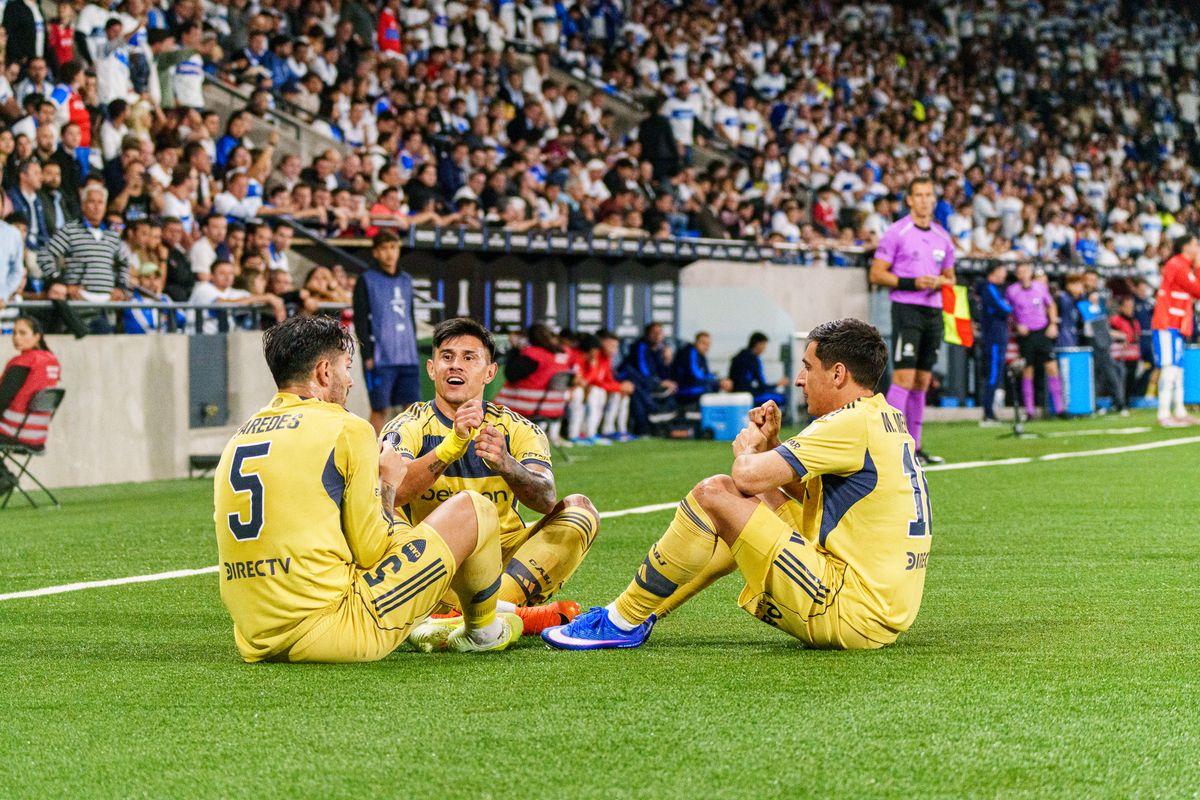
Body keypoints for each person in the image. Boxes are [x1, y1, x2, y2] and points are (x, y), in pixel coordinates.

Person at [543, 318, 932, 651]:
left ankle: (622, 619)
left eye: (807, 367)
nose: (799, 379)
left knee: (717, 491)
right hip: (885, 610)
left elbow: (745, 476)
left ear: (838, 373)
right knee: (751, 500)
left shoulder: (847, 423)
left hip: (850, 612)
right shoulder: (885, 417)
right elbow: (818, 495)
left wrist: (748, 448)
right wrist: (773, 448)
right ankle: (636, 614)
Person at [214, 315, 521, 663]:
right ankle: (482, 629)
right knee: (473, 509)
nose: (350, 382)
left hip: (255, 640)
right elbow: (372, 550)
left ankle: (454, 606)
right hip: (336, 631)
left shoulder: (241, 435)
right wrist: (388, 482)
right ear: (324, 372)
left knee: (398, 527)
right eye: (347, 368)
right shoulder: (347, 428)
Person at [381, 317, 599, 635]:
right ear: (431, 369)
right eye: (447, 357)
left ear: (490, 372)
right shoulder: (409, 425)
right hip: (439, 558)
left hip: (504, 560)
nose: (456, 366)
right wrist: (448, 450)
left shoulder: (518, 429)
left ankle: (469, 615)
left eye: (469, 358)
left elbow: (546, 499)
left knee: (580, 512)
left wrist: (506, 464)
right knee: (378, 509)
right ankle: (511, 617)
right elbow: (393, 494)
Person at [868, 175, 955, 465]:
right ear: (909, 199)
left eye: (928, 195)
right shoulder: (897, 232)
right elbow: (877, 273)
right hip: (907, 309)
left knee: (922, 380)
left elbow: (951, 278)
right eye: (918, 195)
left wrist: (939, 281)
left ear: (934, 199)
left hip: (934, 312)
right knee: (904, 377)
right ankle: (892, 448)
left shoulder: (943, 236)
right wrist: (912, 282)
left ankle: (914, 448)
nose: (924, 200)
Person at [351, 230, 420, 434]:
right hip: (380, 359)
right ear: (375, 252)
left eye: (393, 247)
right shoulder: (366, 280)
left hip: (408, 358)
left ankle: (410, 457)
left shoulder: (406, 280)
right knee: (379, 409)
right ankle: (370, 458)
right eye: (384, 248)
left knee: (413, 410)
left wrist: (413, 349)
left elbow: (411, 317)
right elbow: (361, 320)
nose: (389, 253)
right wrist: (367, 355)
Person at [0, 317, 61, 493]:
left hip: (14, 431)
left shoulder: (23, 363)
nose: (16, 338)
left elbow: (2, 400)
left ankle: (3, 478)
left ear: (37, 336)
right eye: (14, 333)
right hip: (38, 434)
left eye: (22, 333)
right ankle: (4, 477)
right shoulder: (50, 360)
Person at [1151, 234, 1200, 427]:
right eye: (1196, 244)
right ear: (1186, 247)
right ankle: (1163, 413)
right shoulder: (1177, 265)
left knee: (1178, 370)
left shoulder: (1183, 266)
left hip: (1177, 324)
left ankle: (1179, 411)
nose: (1198, 248)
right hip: (1167, 323)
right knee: (1170, 368)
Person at [1004, 263, 1063, 419]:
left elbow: (1051, 305)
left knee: (1052, 367)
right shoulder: (1012, 291)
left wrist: (1052, 324)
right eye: (1020, 271)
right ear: (1017, 274)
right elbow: (1008, 313)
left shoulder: (1040, 287)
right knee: (1027, 371)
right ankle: (1029, 411)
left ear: (1030, 273)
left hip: (1042, 331)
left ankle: (1059, 409)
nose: (1023, 274)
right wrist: (1017, 326)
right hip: (1025, 335)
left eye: (1025, 271)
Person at [1079, 270, 1125, 414]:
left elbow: (1100, 316)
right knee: (1096, 372)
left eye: (1094, 279)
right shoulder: (1081, 296)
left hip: (1100, 338)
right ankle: (1097, 403)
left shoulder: (1100, 297)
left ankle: (1119, 402)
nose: (1091, 282)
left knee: (1107, 369)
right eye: (1089, 279)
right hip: (1087, 338)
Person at [618, 322, 676, 435]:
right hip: (631, 379)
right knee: (638, 390)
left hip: (647, 382)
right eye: (654, 332)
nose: (657, 335)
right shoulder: (640, 347)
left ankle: (658, 424)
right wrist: (659, 382)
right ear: (647, 334)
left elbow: (664, 373)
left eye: (660, 333)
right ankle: (642, 429)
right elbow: (643, 370)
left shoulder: (660, 350)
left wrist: (667, 361)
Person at [973, 263, 1011, 424]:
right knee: (993, 375)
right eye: (1002, 271)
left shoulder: (992, 289)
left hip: (997, 337)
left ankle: (990, 411)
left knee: (995, 375)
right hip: (994, 339)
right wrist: (1010, 308)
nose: (1004, 275)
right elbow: (1004, 308)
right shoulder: (989, 289)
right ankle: (988, 412)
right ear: (993, 272)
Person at [671, 331, 732, 403]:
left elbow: (706, 374)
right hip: (685, 391)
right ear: (696, 342)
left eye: (708, 344)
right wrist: (718, 382)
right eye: (703, 343)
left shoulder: (701, 356)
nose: (706, 347)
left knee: (718, 387)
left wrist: (720, 380)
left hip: (695, 388)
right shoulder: (690, 352)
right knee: (713, 388)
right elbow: (696, 376)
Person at [729, 332, 787, 407]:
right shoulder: (753, 360)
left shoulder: (738, 356)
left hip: (736, 393)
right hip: (749, 395)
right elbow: (761, 385)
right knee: (781, 398)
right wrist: (777, 384)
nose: (764, 349)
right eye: (764, 345)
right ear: (758, 344)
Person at [1110, 295, 1142, 408]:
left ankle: (1127, 401)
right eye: (1127, 306)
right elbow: (1108, 332)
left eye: (1131, 307)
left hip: (1133, 355)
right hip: (1120, 355)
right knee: (1120, 379)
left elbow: (1136, 337)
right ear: (1121, 307)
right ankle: (1118, 402)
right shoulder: (1115, 320)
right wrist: (1120, 336)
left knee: (1131, 379)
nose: (1130, 309)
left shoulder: (1135, 321)